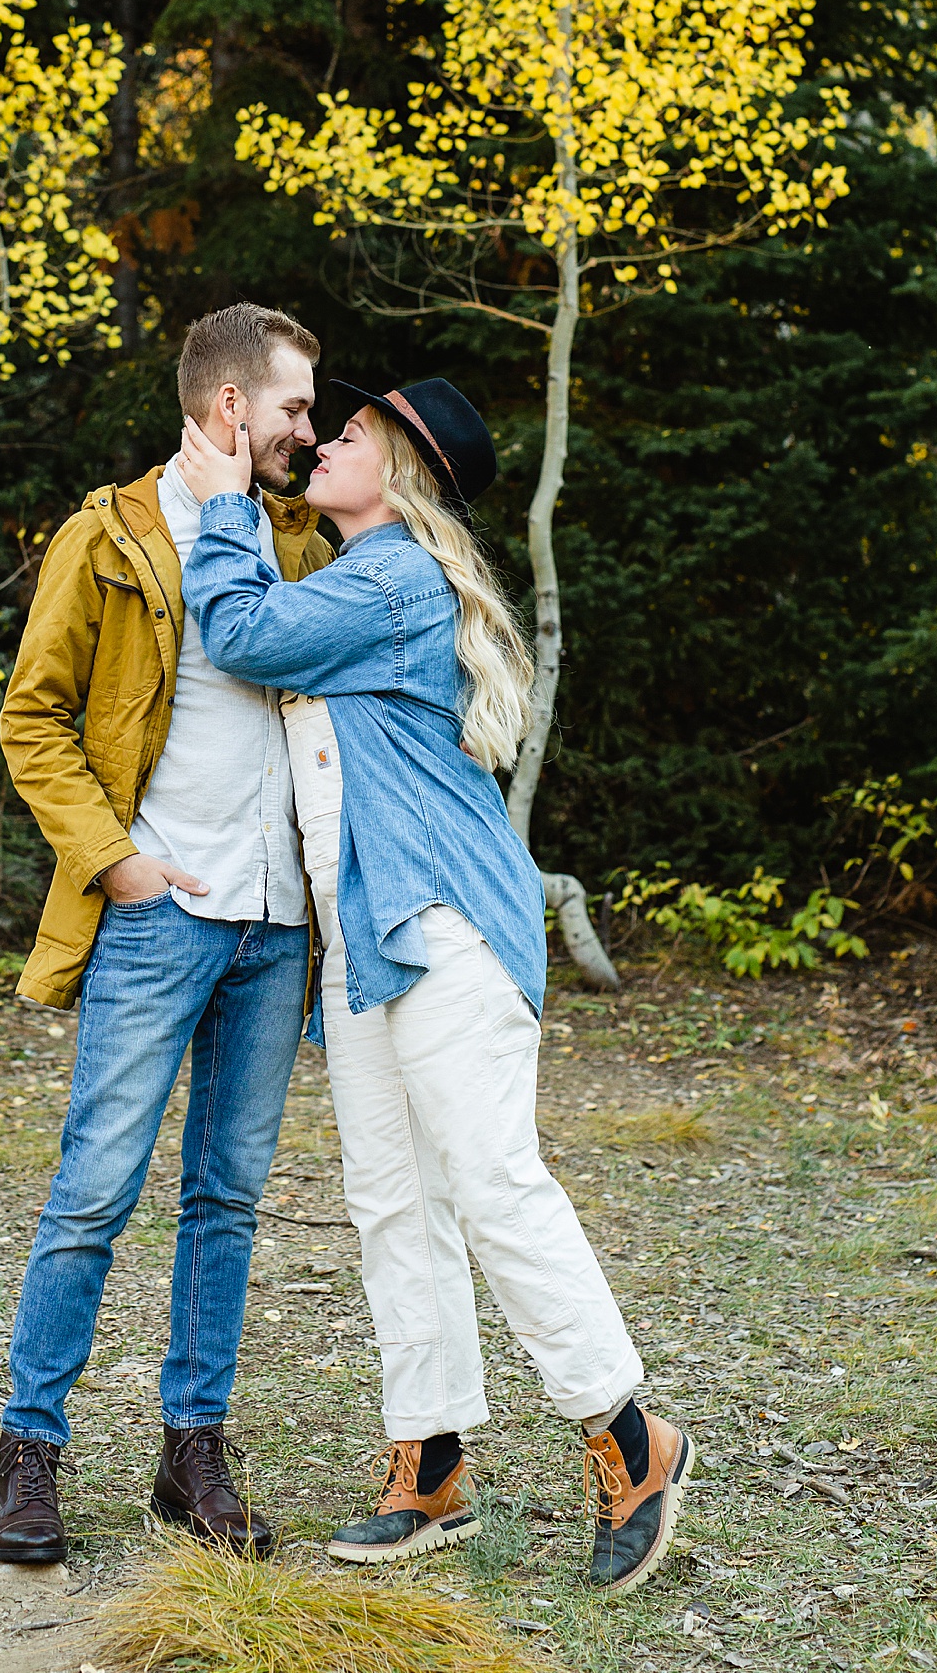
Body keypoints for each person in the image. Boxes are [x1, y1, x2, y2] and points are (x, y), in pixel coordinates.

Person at [175, 378, 692, 1598]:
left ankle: (629, 1436)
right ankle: (434, 1460)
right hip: (365, 935)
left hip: (449, 922)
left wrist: (220, 510)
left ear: (400, 473)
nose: (324, 442)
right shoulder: (352, 580)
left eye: (346, 435)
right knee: (392, 1202)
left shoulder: (391, 577)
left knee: (492, 1181)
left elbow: (242, 634)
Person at [0, 303, 332, 1566]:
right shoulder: (111, 535)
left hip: (277, 924)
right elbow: (35, 720)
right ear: (231, 407)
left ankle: (194, 1453)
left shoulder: (299, 537)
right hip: (161, 915)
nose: (312, 428)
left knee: (227, 1199)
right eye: (294, 406)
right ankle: (29, 1453)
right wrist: (117, 864)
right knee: (92, 1194)